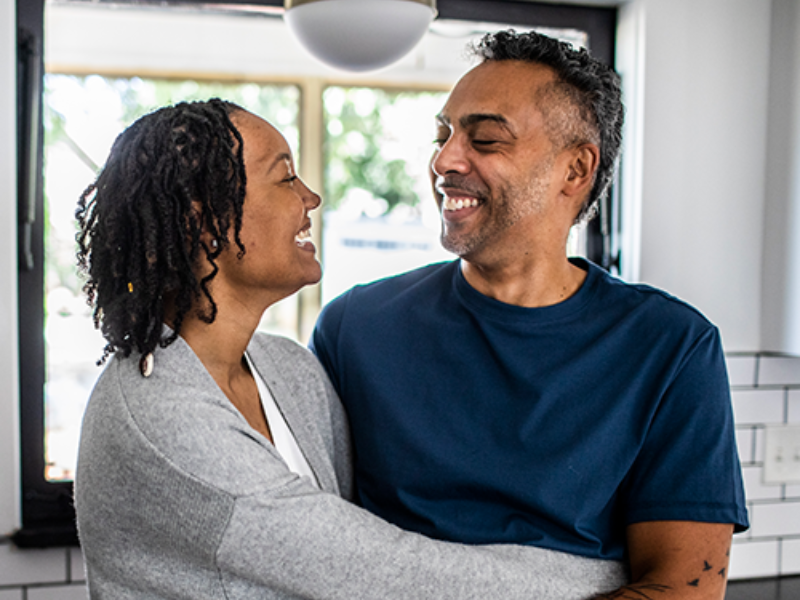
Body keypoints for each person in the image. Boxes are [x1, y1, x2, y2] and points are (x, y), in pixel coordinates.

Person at [73, 98, 631, 599]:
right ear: (205, 220)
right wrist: (617, 575)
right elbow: (385, 572)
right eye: (285, 177)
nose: (310, 198)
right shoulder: (161, 415)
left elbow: (353, 529)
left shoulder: (288, 370)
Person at [311, 30, 749, 600]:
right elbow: (313, 539)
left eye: (486, 140)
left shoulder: (671, 347)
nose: (445, 160)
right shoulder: (355, 327)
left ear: (575, 171)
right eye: (443, 135)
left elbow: (682, 589)